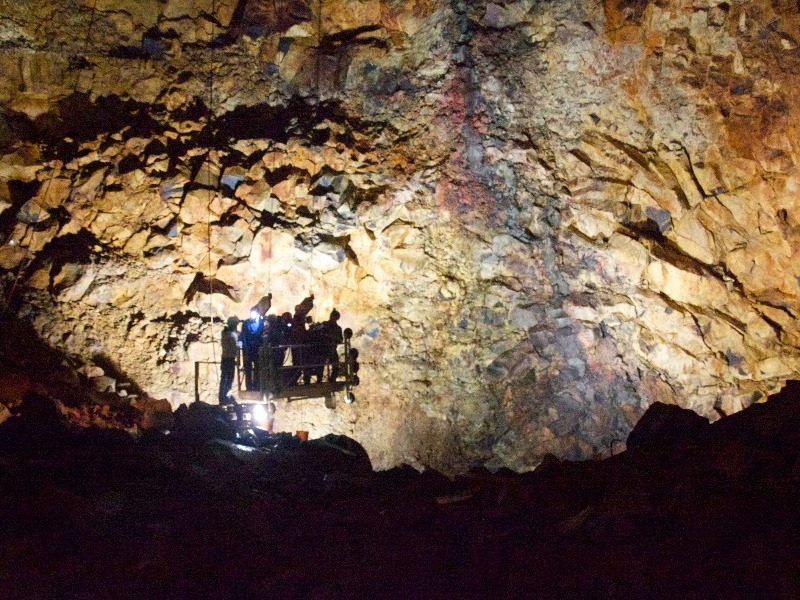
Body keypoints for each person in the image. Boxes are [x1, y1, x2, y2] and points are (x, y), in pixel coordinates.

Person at [219, 315, 243, 421]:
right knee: (226, 378)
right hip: (228, 358)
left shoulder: (227, 333)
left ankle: (226, 395)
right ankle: (224, 396)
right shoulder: (229, 334)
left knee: (227, 378)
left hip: (228, 358)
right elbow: (234, 345)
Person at [240, 307, 264, 390]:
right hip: (248, 350)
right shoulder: (246, 323)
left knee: (258, 369)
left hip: (258, 350)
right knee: (248, 370)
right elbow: (243, 338)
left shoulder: (261, 323)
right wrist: (245, 352)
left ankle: (257, 386)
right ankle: (249, 387)